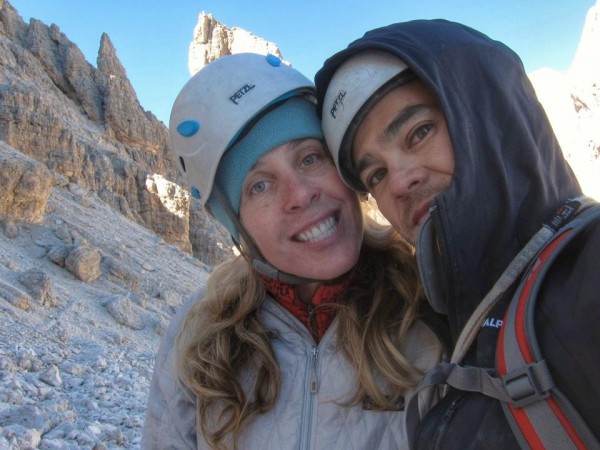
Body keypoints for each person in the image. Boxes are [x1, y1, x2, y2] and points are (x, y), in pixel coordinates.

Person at [315, 19, 600, 449]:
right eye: (376, 173)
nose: (398, 182)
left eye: (419, 132)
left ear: (487, 112)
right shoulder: (441, 330)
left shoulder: (589, 270)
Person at [141, 52, 447, 450]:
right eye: (259, 186)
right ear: (239, 227)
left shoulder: (429, 304)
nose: (300, 194)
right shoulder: (198, 337)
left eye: (309, 158)